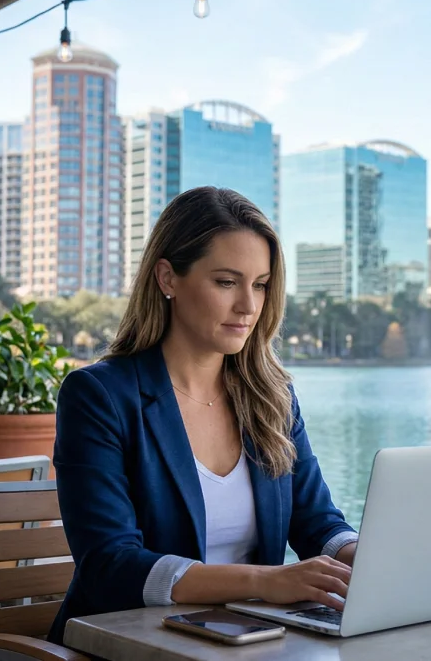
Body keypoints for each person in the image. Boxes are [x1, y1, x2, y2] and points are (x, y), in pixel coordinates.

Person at [48, 187, 357, 643]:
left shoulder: (273, 396)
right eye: (227, 282)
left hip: (247, 643)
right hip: (126, 643)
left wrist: (365, 555)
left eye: (261, 284)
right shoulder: (99, 395)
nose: (249, 307)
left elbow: (317, 523)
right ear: (168, 278)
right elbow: (110, 563)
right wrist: (264, 582)